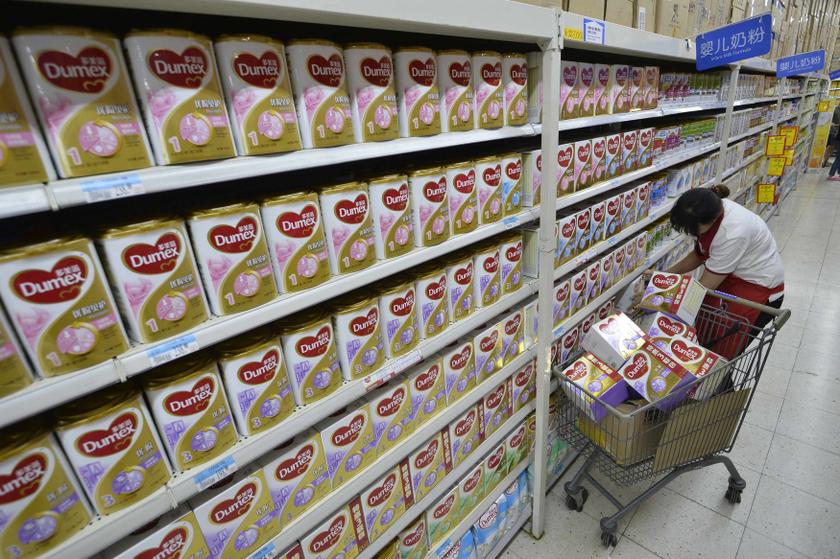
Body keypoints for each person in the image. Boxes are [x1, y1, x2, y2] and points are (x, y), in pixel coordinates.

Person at [660, 184, 785, 358]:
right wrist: (664, 275)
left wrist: (657, 295)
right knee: (706, 343)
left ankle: (718, 376)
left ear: (710, 221)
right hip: (730, 279)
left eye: (693, 230)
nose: (690, 234)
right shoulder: (710, 208)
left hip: (756, 289)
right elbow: (699, 254)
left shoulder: (732, 233)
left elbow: (703, 287)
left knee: (719, 354)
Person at [828, 105, 840, 180]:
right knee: (838, 158)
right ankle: (831, 174)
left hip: (838, 139)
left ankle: (836, 174)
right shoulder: (837, 110)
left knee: (838, 157)